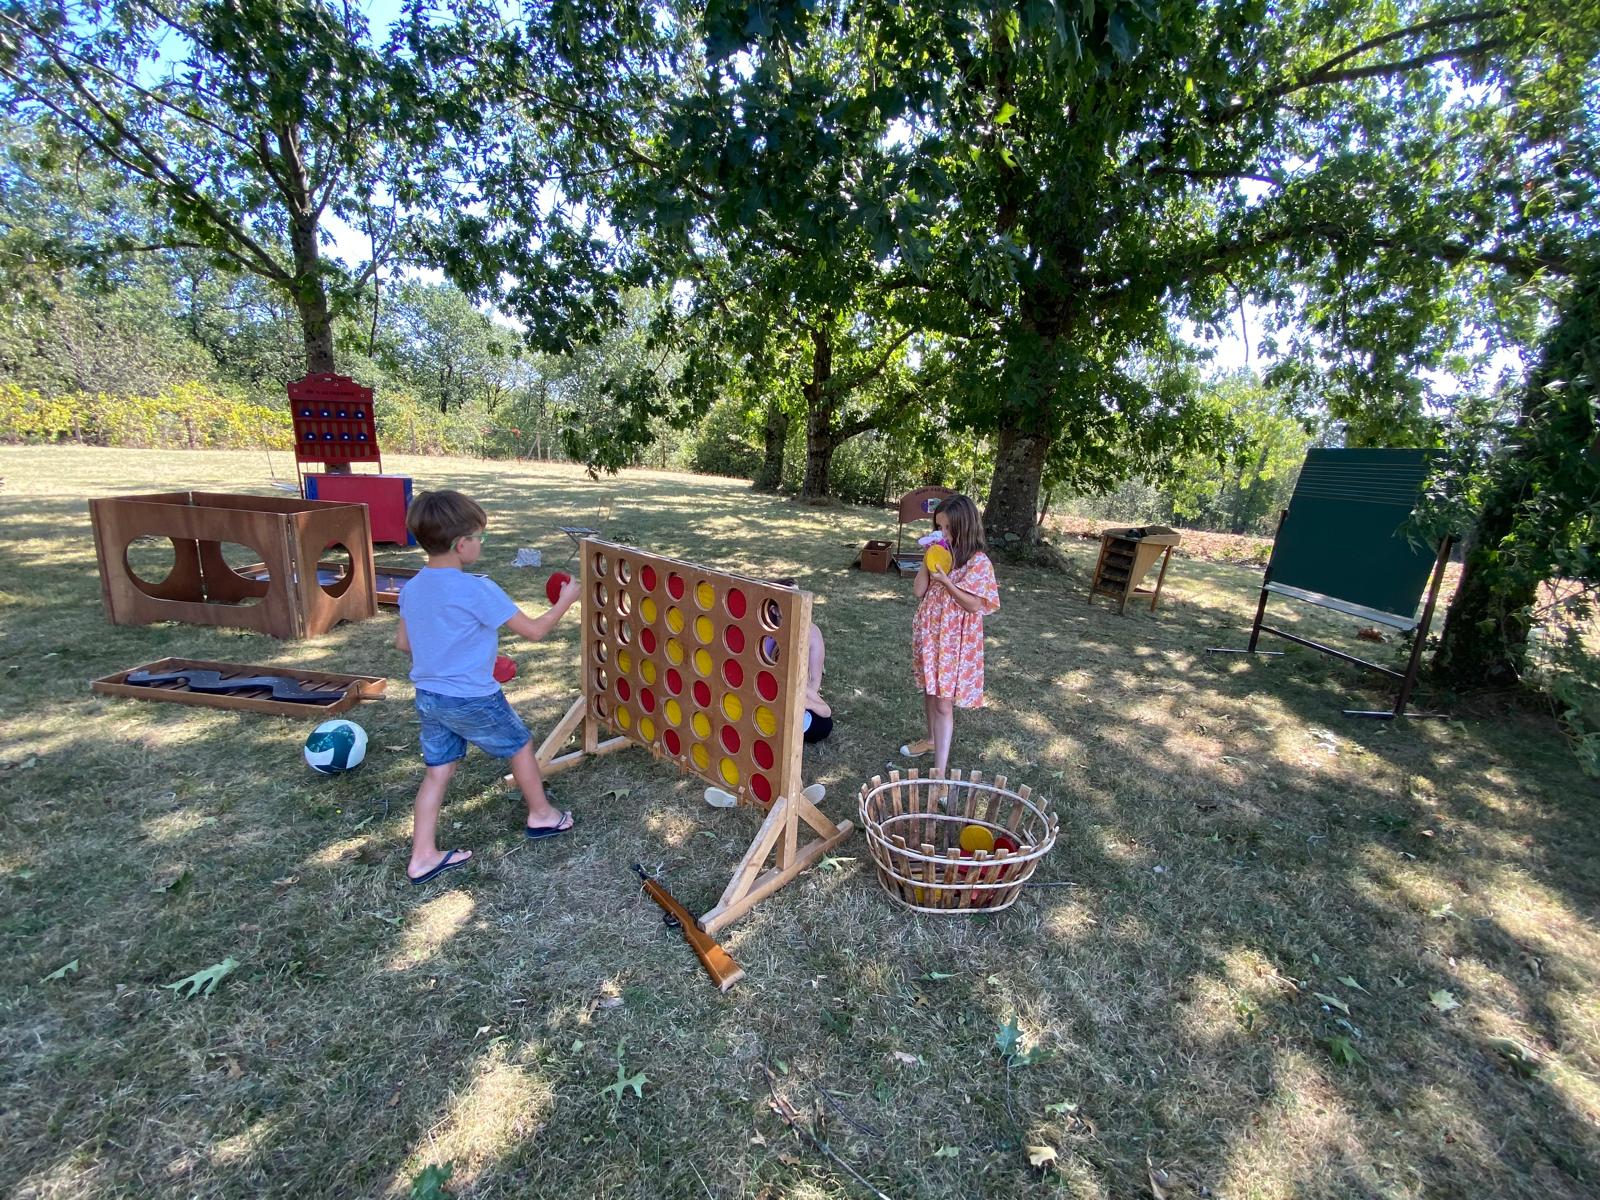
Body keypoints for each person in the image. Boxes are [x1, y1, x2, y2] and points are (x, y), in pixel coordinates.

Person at [396, 489, 580, 884]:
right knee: (519, 744)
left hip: (429, 699)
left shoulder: (412, 588)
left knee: (438, 772)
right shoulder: (478, 588)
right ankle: (542, 815)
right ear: (462, 545)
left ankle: (423, 856)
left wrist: (464, 656)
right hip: (472, 697)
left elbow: (405, 643)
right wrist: (567, 600)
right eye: (480, 538)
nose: (480, 544)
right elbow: (534, 631)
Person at [901, 493, 1000, 775]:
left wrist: (946, 582)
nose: (943, 533)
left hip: (954, 642)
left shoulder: (978, 562)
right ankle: (930, 740)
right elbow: (918, 591)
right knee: (930, 691)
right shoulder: (941, 554)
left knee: (944, 704)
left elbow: (974, 605)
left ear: (964, 526)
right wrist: (927, 559)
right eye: (939, 527)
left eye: (947, 528)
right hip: (931, 635)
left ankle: (939, 775)